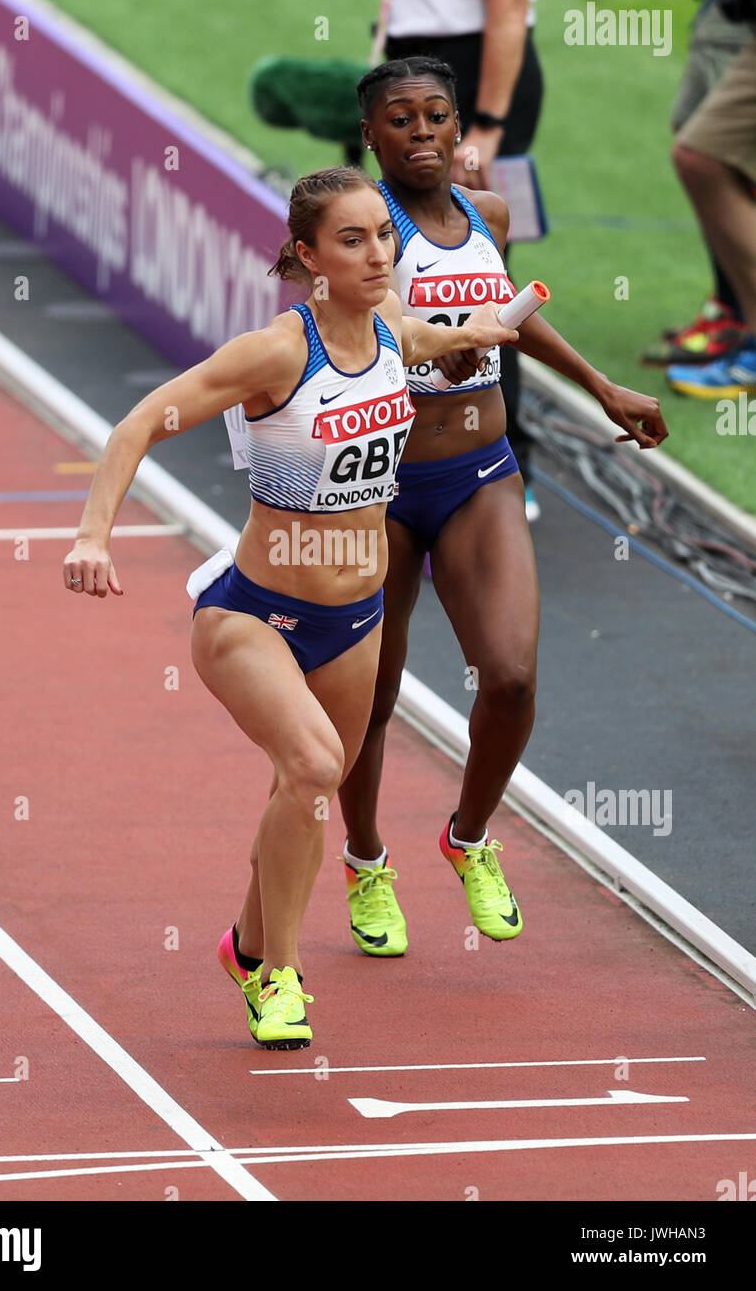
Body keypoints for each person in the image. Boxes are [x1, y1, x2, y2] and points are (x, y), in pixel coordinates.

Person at [62, 165, 517, 1048]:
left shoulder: (385, 325)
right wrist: (92, 536)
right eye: (353, 240)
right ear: (308, 256)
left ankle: (247, 944)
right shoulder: (276, 351)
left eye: (383, 235)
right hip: (254, 615)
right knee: (312, 768)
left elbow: (419, 337)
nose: (379, 253)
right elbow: (139, 424)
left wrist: (486, 329)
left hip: (357, 618)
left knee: (308, 791)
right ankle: (280, 976)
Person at [335, 58, 668, 960]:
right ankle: (366, 860)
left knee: (512, 678)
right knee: (370, 694)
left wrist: (601, 384)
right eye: (398, 120)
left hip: (481, 470)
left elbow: (505, 311)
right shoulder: (364, 227)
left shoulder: (493, 215)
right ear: (370, 136)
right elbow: (362, 324)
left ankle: (468, 837)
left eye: (435, 116)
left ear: (458, 128)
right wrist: (429, 346)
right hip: (379, 484)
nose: (420, 133)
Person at [375, 0, 551, 518]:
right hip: (425, 85)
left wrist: (488, 127)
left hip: (472, 93)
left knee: (480, 279)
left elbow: (509, 4)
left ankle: (508, 462)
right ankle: (399, 451)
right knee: (413, 270)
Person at [661, 0, 756, 398]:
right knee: (702, 151)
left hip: (740, 12)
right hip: (739, 3)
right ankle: (738, 321)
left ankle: (740, 323)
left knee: (712, 158)